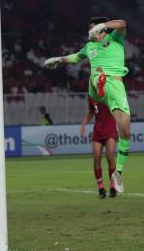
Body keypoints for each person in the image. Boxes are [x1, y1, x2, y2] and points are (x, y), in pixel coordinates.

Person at [44, 17, 131, 192]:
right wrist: (58, 60)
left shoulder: (114, 38)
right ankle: (98, 81)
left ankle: (118, 173)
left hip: (116, 89)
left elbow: (122, 23)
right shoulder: (89, 47)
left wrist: (103, 25)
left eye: (93, 29)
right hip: (98, 86)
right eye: (89, 30)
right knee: (97, 75)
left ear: (103, 29)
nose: (90, 33)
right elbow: (75, 57)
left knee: (125, 132)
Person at [80, 98, 119, 199]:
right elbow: (91, 112)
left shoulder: (110, 91)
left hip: (110, 129)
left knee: (110, 158)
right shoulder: (91, 96)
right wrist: (83, 125)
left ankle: (112, 186)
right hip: (98, 131)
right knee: (97, 159)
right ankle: (101, 188)